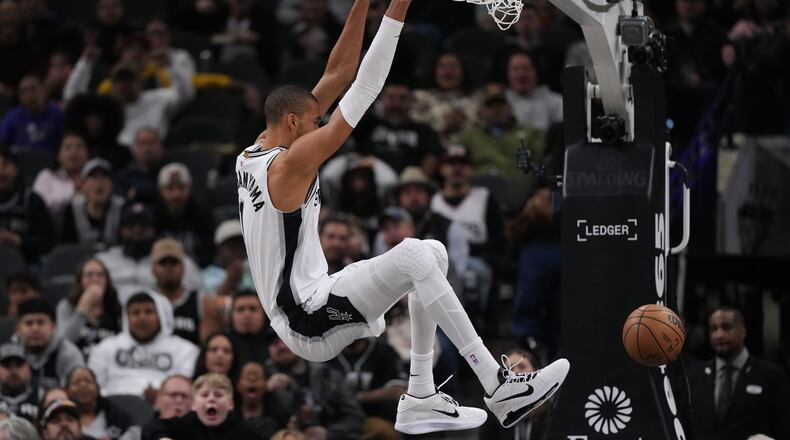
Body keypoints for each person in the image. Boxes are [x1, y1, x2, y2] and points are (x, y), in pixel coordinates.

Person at [236, 0, 569, 434]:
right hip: (305, 317)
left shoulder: (258, 147)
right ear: (294, 123)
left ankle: (421, 395)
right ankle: (497, 383)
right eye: (317, 122)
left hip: (311, 299)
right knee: (413, 255)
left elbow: (340, 72)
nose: (322, 127)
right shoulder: (288, 166)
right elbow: (365, 88)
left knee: (432, 254)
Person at [688, 306, 790, 439]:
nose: (719, 335)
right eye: (713, 329)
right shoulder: (695, 376)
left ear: (743, 331)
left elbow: (784, 429)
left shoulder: (771, 375)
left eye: (726, 327)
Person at [87, 291, 199, 397]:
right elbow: (94, 385)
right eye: (135, 313)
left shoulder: (185, 350)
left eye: (149, 312)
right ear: (126, 318)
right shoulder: (106, 347)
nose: (142, 318)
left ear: (162, 316)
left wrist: (160, 396)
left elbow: (183, 389)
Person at [264, 333, 365, 439]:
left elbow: (356, 416)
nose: (281, 346)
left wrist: (329, 434)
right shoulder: (263, 380)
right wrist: (265, 391)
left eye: (285, 340)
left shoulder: (328, 375)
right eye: (274, 343)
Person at [142, 373, 262, 440]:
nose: (211, 398)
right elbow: (151, 427)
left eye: (218, 395)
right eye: (205, 395)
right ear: (194, 404)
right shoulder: (185, 424)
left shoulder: (244, 431)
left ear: (230, 404)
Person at [56, 258, 122, 359]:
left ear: (107, 280)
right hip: (78, 362)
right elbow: (65, 343)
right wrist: (83, 306)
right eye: (89, 275)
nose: (95, 279)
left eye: (100, 275)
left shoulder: (116, 307)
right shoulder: (66, 306)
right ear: (80, 280)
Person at [14, 299, 85, 391]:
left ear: (53, 327)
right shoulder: (9, 354)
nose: (35, 329)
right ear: (18, 329)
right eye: (29, 323)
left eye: (41, 322)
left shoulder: (69, 354)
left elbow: (79, 391)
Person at [0, 151, 55, 263]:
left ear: (16, 169)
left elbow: (47, 242)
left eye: (5, 164)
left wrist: (18, 240)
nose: (0, 170)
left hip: (27, 264)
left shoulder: (31, 199)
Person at [150, 238, 204, 345]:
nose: (169, 268)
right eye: (163, 263)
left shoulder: (200, 301)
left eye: (173, 262)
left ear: (183, 268)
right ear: (153, 269)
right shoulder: (146, 301)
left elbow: (207, 345)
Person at [61, 158, 125, 246]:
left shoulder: (122, 208)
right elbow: (67, 246)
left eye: (104, 177)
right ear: (83, 184)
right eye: (93, 178)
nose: (99, 183)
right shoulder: (72, 209)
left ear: (112, 184)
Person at [32, 132, 90, 220]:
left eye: (79, 147)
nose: (73, 153)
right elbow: (38, 207)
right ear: (58, 155)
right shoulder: (47, 176)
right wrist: (74, 195)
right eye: (68, 147)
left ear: (87, 153)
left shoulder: (95, 179)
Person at [0, 74, 64, 153]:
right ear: (20, 97)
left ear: (43, 90)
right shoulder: (12, 117)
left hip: (50, 159)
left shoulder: (57, 113)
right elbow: (2, 143)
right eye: (24, 91)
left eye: (33, 89)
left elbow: (65, 141)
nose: (30, 95)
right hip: (20, 159)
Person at [64, 367, 133, 439]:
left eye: (88, 381)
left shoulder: (116, 415)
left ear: (98, 387)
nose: (83, 385)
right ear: (66, 390)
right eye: (77, 382)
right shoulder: (59, 416)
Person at [235, 362, 279, 440]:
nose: (252, 380)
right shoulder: (229, 419)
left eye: (258, 378)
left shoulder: (278, 420)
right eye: (247, 378)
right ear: (238, 385)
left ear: (266, 384)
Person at [227, 290, 269, 367]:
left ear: (264, 313)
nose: (247, 314)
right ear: (231, 315)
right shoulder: (223, 346)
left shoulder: (280, 342)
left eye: (253, 309)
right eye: (240, 309)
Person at [0, 343, 39, 421]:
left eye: (19, 365)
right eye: (7, 365)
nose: (13, 371)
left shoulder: (42, 399)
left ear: (29, 369)